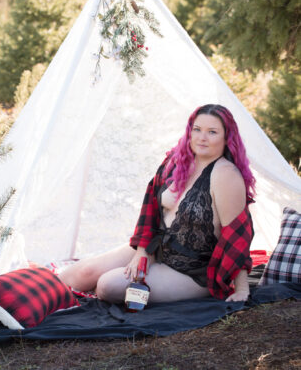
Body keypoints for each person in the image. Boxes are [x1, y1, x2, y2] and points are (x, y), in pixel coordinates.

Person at [59, 104, 256, 304]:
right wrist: (142, 252)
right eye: (197, 129)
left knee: (108, 286)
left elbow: (238, 236)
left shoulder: (226, 175)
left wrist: (241, 289)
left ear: (226, 137)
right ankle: (31, 299)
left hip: (192, 271)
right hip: (155, 249)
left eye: (212, 132)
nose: (201, 137)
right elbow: (149, 212)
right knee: (81, 273)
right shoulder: (177, 160)